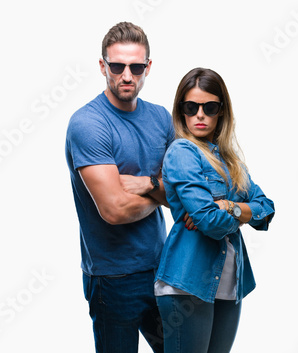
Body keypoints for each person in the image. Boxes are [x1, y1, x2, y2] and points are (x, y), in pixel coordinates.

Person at [65, 22, 174, 353]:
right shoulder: (88, 124)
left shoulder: (161, 119)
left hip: (164, 267)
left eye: (136, 67)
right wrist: (162, 189)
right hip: (113, 279)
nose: (127, 75)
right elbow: (113, 210)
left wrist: (144, 184)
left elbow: (187, 191)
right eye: (117, 66)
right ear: (103, 67)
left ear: (147, 68)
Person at [154, 68, 275, 352]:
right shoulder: (182, 152)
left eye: (209, 107)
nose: (200, 115)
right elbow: (210, 222)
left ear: (221, 111)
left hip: (229, 282)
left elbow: (267, 209)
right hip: (187, 282)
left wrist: (230, 207)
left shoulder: (230, 160)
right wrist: (241, 213)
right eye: (191, 107)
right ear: (180, 110)